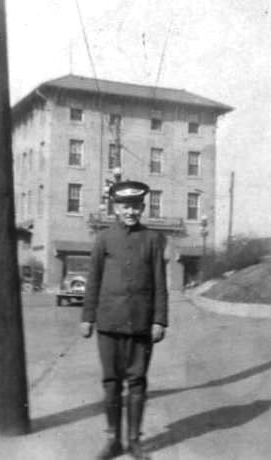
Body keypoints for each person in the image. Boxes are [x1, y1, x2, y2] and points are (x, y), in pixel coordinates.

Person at [80, 180, 168, 460]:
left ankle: (134, 442)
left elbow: (159, 282)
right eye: (124, 206)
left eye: (135, 206)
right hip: (108, 322)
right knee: (111, 381)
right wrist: (87, 317)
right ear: (115, 208)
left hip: (141, 322)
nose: (130, 211)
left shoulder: (153, 239)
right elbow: (93, 279)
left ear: (143, 207)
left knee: (138, 381)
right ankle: (113, 440)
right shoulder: (104, 238)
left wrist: (160, 320)